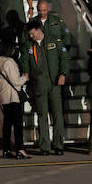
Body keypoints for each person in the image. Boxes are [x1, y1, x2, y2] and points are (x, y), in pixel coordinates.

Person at [21, 18, 68, 155]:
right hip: (39, 83)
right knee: (42, 115)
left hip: (55, 82)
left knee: (57, 114)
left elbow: (63, 58)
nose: (31, 36)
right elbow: (24, 60)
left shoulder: (54, 40)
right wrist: (26, 72)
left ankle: (59, 145)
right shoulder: (29, 45)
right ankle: (45, 147)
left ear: (38, 30)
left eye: (32, 33)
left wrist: (63, 74)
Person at [0, 41, 30, 159]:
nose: (15, 50)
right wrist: (25, 77)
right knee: (18, 125)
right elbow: (16, 82)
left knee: (7, 125)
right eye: (13, 48)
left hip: (5, 97)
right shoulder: (9, 62)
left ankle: (6, 150)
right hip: (13, 97)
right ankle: (20, 150)